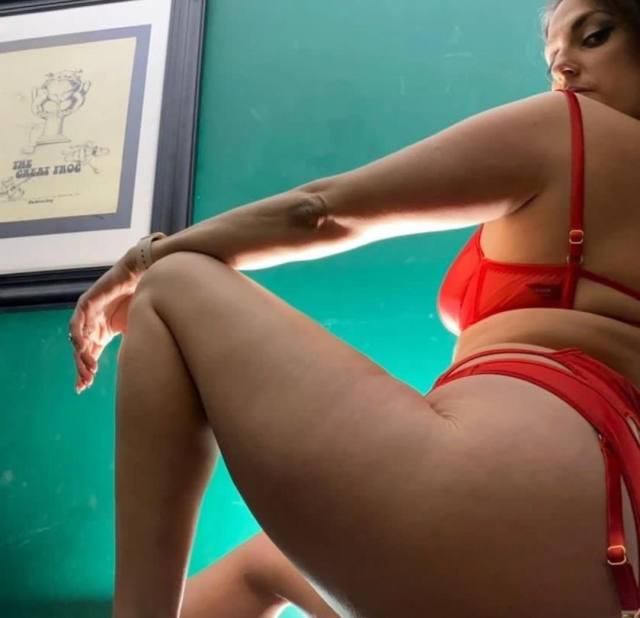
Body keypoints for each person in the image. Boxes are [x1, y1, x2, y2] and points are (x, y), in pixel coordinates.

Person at [67, 0, 640, 615]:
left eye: (593, 36)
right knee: (260, 564)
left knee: (171, 286)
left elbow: (318, 211)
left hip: (490, 501)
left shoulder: (572, 126)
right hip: (608, 557)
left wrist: (141, 261)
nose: (564, 69)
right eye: (552, 58)